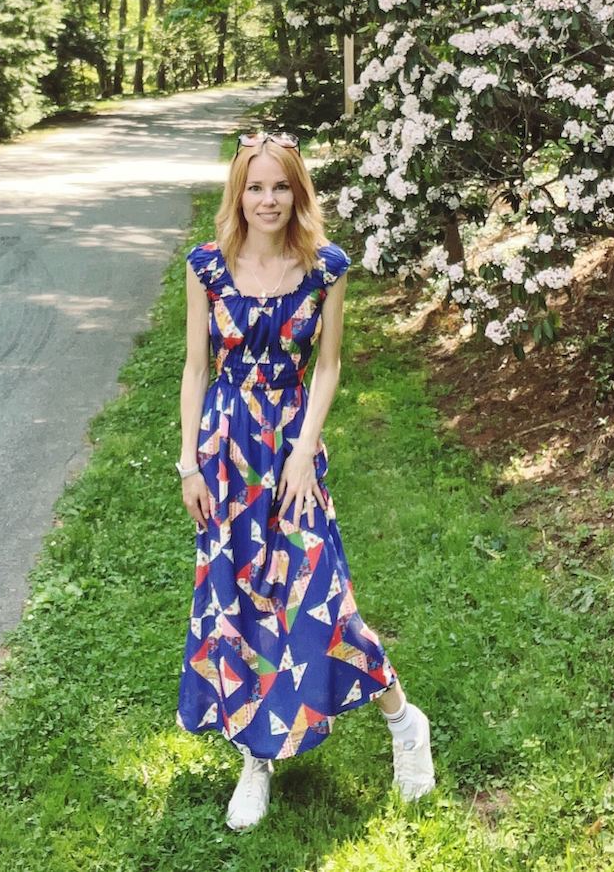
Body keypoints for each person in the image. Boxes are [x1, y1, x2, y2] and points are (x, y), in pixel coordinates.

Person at [175, 129, 435, 831]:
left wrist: (304, 448)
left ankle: (405, 724)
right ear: (239, 194)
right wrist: (188, 461)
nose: (268, 200)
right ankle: (255, 760)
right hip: (226, 454)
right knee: (237, 606)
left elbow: (328, 366)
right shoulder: (206, 267)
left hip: (292, 451)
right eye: (255, 187)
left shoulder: (325, 268)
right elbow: (195, 368)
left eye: (281, 186)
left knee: (321, 598)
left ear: (299, 192)